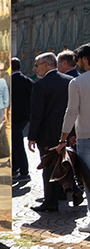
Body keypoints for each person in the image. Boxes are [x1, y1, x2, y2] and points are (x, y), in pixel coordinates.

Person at [28, 51, 77, 213]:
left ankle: (50, 202)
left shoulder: (40, 85)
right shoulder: (70, 81)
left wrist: (32, 136)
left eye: (36, 65)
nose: (35, 69)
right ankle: (63, 193)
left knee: (48, 167)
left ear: (46, 65)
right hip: (67, 132)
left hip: (46, 134)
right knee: (64, 163)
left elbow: (37, 114)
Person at [61, 43, 90, 234]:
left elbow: (71, 112)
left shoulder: (78, 83)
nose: (78, 64)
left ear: (85, 59)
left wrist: (63, 138)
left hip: (86, 136)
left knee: (88, 180)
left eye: (78, 60)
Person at [10, 57, 32, 182]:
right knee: (16, 143)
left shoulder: (10, 82)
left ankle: (24, 171)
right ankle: (16, 167)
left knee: (17, 145)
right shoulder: (27, 80)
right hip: (24, 117)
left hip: (14, 117)